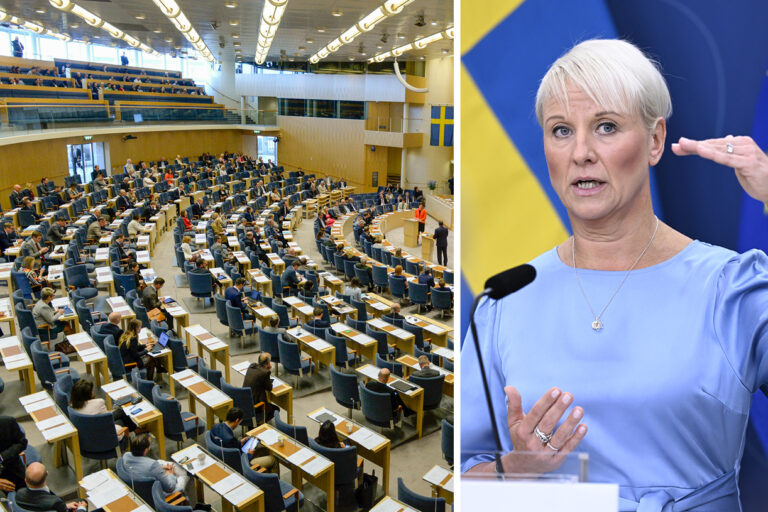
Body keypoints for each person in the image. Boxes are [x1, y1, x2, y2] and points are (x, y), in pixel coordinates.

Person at [461, 38, 768, 509]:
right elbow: (464, 477)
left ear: (655, 140)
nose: (581, 152)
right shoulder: (504, 302)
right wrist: (516, 468)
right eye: (561, 131)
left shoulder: (731, 288)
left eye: (606, 127)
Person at [121, 434, 190, 496]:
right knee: (184, 475)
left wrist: (160, 468)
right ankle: (184, 498)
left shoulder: (126, 456)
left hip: (139, 484)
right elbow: (170, 487)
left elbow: (146, 467)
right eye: (149, 445)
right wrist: (170, 474)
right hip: (156, 494)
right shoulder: (152, 465)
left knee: (160, 462)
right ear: (146, 450)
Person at [210, 408, 276, 470]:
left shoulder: (216, 426)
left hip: (220, 458)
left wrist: (240, 442)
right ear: (237, 420)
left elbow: (230, 445)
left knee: (259, 449)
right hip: (239, 465)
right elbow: (238, 458)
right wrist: (249, 454)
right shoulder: (230, 439)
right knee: (272, 459)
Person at [14, 463, 87, 512]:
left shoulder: (19, 494)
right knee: (83, 502)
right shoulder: (55, 502)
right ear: (47, 474)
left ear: (25, 480)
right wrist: (81, 508)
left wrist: (65, 506)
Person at [243, 353, 280, 420]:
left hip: (245, 403)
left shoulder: (252, 366)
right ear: (268, 363)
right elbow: (269, 388)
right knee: (276, 409)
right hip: (256, 407)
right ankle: (261, 422)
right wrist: (268, 370)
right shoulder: (265, 373)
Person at [0, 415, 28, 491]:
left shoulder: (8, 422)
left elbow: (22, 443)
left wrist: (2, 456)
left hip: (12, 467)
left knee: (27, 491)